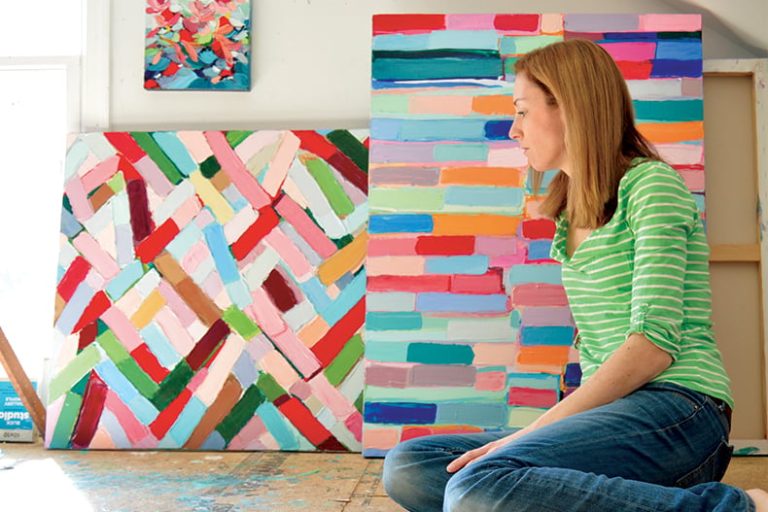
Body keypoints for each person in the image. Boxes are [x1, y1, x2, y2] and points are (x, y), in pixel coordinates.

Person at [382, 38, 768, 512]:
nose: (513, 130)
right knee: (411, 465)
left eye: (522, 111)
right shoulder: (571, 215)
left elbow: (652, 347)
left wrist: (527, 436)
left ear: (569, 106)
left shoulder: (651, 186)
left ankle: (733, 508)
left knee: (475, 487)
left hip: (681, 410)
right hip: (614, 412)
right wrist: (535, 437)